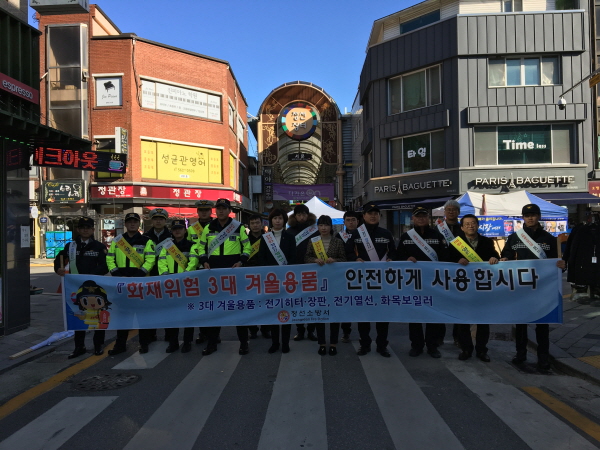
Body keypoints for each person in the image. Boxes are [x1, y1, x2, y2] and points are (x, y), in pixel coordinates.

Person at [500, 203, 565, 371]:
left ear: (539, 217)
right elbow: (506, 255)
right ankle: (520, 354)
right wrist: (504, 259)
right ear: (523, 218)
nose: (530, 218)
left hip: (542, 289)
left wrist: (562, 265)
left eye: (533, 215)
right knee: (521, 323)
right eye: (527, 215)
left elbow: (556, 263)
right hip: (521, 287)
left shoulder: (550, 239)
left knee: (542, 324)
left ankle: (543, 358)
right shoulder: (515, 237)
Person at [197, 198, 251, 355]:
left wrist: (241, 261)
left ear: (229, 211)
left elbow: (247, 247)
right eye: (218, 208)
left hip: (234, 273)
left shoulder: (238, 227)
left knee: (239, 308)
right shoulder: (208, 227)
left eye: (224, 208)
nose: (221, 211)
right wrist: (204, 261)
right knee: (215, 309)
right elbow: (201, 247)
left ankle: (244, 343)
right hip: (214, 273)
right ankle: (212, 343)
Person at [397, 206, 448, 358]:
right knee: (415, 315)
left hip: (433, 281)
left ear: (428, 218)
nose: (421, 219)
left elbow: (445, 256)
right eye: (418, 216)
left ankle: (432, 346)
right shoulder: (406, 237)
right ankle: (416, 345)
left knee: (433, 315)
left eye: (423, 216)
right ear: (413, 218)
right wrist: (406, 259)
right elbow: (398, 256)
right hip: (413, 282)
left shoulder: (437, 235)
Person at [448, 214, 500, 362]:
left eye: (473, 223)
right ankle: (466, 349)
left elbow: (496, 256)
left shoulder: (487, 242)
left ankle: (482, 350)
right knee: (463, 320)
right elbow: (446, 260)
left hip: (482, 287)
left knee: (483, 320)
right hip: (462, 287)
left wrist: (494, 258)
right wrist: (457, 260)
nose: (470, 226)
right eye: (467, 224)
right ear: (462, 227)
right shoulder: (455, 244)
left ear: (477, 225)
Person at [54, 217, 108, 358]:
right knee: (78, 316)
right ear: (78, 229)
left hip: (94, 287)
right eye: (82, 227)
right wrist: (58, 268)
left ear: (92, 230)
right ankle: (79, 346)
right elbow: (59, 259)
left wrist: (91, 276)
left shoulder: (99, 247)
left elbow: (105, 266)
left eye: (88, 227)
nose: (85, 230)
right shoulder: (70, 246)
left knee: (97, 316)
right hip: (75, 287)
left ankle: (98, 345)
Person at [350, 203, 397, 357]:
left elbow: (394, 252)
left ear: (379, 216)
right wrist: (355, 258)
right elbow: (348, 252)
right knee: (363, 314)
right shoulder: (356, 234)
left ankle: (382, 345)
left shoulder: (386, 233)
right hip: (362, 281)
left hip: (383, 281)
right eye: (369, 213)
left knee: (382, 314)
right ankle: (364, 344)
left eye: (376, 213)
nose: (373, 216)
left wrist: (391, 259)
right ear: (363, 216)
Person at [106, 212, 156, 355]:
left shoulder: (147, 241)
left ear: (139, 224)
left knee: (142, 316)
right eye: (129, 222)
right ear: (125, 224)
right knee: (123, 316)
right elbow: (110, 259)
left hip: (140, 284)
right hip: (121, 284)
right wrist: (117, 275)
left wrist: (138, 276)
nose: (132, 224)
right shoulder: (117, 241)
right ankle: (120, 345)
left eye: (135, 221)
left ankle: (144, 344)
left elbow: (150, 260)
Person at [256, 208, 296, 353]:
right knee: (273, 312)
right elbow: (261, 258)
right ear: (271, 221)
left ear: (284, 220)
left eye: (280, 218)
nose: (277, 221)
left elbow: (293, 257)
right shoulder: (265, 238)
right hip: (271, 281)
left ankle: (285, 343)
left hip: (286, 281)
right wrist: (269, 272)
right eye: (275, 218)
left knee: (286, 311)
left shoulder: (290, 237)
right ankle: (275, 343)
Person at [305, 215, 347, 355]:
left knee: (334, 313)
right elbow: (306, 257)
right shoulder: (313, 241)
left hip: (335, 282)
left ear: (331, 227)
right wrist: (315, 260)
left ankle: (333, 343)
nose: (323, 228)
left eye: (326, 225)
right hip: (318, 282)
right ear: (318, 227)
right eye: (321, 225)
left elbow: (344, 259)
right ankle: (322, 343)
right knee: (320, 313)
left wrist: (334, 260)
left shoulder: (338, 242)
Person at [157, 219, 200, 353]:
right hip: (171, 285)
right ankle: (173, 342)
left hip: (187, 284)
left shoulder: (192, 245)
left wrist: (184, 276)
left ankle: (187, 342)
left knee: (188, 315)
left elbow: (193, 261)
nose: (177, 231)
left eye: (180, 228)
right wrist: (166, 276)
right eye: (175, 229)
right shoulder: (167, 246)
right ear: (172, 231)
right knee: (171, 315)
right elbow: (161, 261)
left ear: (185, 230)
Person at [287, 203, 319, 341]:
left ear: (308, 215)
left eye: (304, 214)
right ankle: (300, 330)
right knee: (297, 302)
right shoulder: (289, 231)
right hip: (295, 271)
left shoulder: (315, 230)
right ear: (295, 216)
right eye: (299, 214)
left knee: (312, 302)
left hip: (312, 270)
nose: (301, 217)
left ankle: (311, 330)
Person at [437, 199, 465, 347]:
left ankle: (458, 337)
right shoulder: (437, 229)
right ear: (445, 212)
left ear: (458, 212)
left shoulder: (464, 228)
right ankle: (439, 337)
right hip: (441, 272)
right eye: (449, 209)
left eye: (454, 209)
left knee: (458, 306)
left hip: (460, 273)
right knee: (440, 305)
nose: (451, 211)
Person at [143, 208, 173, 344]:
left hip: (167, 275)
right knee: (151, 307)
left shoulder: (172, 236)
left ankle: (169, 334)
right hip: (150, 275)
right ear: (152, 220)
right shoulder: (145, 237)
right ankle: (151, 334)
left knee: (167, 307)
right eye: (156, 219)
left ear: (165, 221)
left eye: (161, 219)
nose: (158, 221)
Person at [187, 199, 215, 344]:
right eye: (201, 210)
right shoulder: (191, 228)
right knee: (200, 303)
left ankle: (214, 334)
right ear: (197, 212)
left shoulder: (217, 226)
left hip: (213, 267)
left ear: (211, 211)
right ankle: (203, 333)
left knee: (213, 303)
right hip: (196, 269)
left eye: (206, 210)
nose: (204, 213)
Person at [336, 211, 362, 343]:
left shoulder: (364, 235)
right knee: (346, 304)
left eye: (353, 220)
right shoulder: (339, 236)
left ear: (358, 221)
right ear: (344, 222)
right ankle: (346, 331)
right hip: (343, 275)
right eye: (348, 220)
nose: (351, 222)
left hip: (361, 275)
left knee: (361, 303)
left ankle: (363, 333)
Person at [245, 214, 271, 339]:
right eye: (253, 223)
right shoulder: (244, 239)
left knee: (266, 303)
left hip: (264, 275)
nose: (255, 225)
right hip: (248, 276)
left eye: (257, 223)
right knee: (251, 304)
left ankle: (266, 329)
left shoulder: (268, 238)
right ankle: (253, 329)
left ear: (261, 224)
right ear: (249, 225)